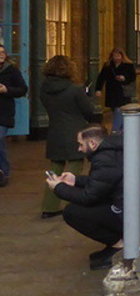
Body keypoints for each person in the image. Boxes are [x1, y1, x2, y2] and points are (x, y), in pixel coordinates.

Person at [47, 126, 124, 270]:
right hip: (124, 204)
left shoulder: (104, 159)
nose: (79, 149)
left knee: (72, 213)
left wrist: (58, 188)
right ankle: (116, 243)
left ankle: (119, 245)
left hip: (123, 211)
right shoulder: (112, 150)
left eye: (81, 144)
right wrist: (75, 180)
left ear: (93, 144)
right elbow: (103, 182)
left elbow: (88, 197)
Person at [39, 55, 94, 218]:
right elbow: (89, 111)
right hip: (75, 132)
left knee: (55, 169)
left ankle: (49, 207)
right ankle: (74, 205)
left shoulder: (44, 89)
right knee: (74, 170)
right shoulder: (75, 89)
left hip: (55, 130)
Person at [0, 45, 27, 187]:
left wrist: (6, 90)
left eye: (3, 52)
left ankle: (4, 171)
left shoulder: (11, 70)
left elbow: (23, 89)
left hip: (3, 112)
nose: (1, 54)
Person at [93, 48, 137, 133]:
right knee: (116, 110)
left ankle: (115, 130)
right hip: (112, 91)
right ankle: (123, 129)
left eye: (118, 55)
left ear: (122, 56)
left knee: (119, 109)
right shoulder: (108, 65)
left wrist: (124, 78)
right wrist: (98, 89)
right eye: (114, 55)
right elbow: (101, 78)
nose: (116, 57)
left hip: (123, 91)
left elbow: (132, 77)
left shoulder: (128, 65)